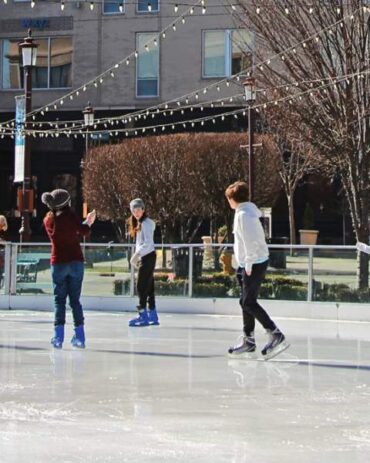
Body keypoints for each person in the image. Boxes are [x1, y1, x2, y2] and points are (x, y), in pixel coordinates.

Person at [225, 181, 289, 360]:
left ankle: (275, 333)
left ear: (233, 199)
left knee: (248, 302)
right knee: (244, 301)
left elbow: (250, 241)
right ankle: (249, 339)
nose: (228, 202)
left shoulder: (244, 215)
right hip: (247, 263)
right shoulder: (244, 212)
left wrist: (249, 264)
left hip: (253, 263)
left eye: (228, 199)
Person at [42, 189, 96, 349]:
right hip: (75, 262)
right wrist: (88, 221)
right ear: (66, 203)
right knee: (75, 301)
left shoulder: (48, 221)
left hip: (58, 262)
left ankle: (58, 337)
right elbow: (84, 231)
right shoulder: (70, 216)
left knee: (59, 301)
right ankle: (80, 336)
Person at [128, 198, 159, 327]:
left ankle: (143, 315)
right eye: (134, 210)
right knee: (149, 286)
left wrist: (137, 255)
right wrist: (138, 256)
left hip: (148, 257)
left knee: (141, 286)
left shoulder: (145, 223)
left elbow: (147, 243)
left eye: (138, 209)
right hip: (146, 257)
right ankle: (153, 313)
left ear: (143, 209)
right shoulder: (140, 223)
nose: (136, 212)